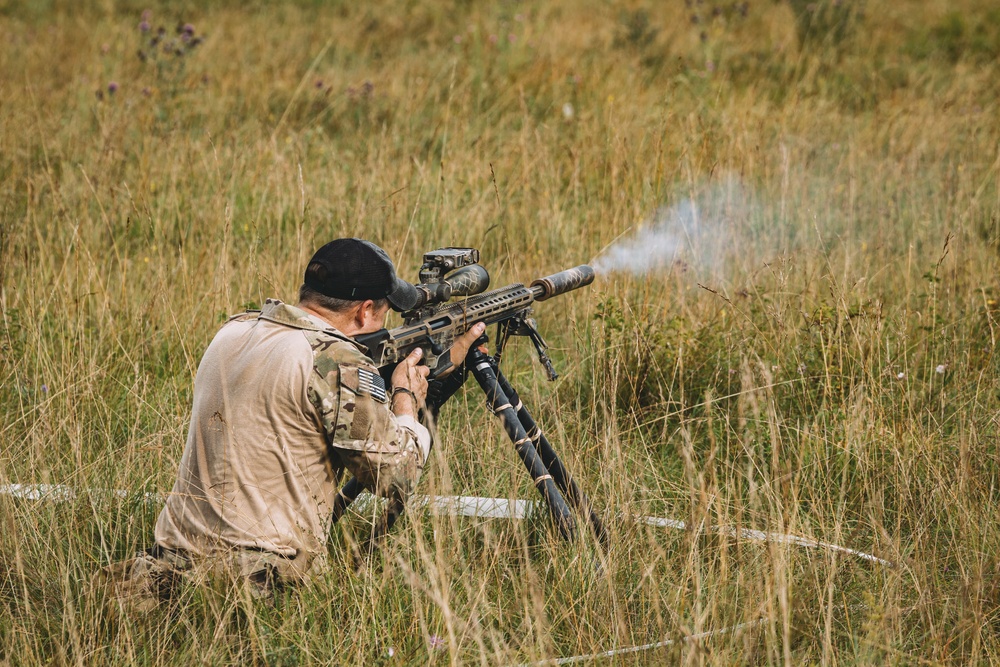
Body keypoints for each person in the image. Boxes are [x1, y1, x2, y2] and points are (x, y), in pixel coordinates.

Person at [103, 238, 485, 602]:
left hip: (169, 564)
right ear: (365, 311)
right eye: (384, 312)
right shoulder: (335, 360)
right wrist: (405, 399)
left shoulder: (234, 329)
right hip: (260, 580)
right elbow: (396, 476)